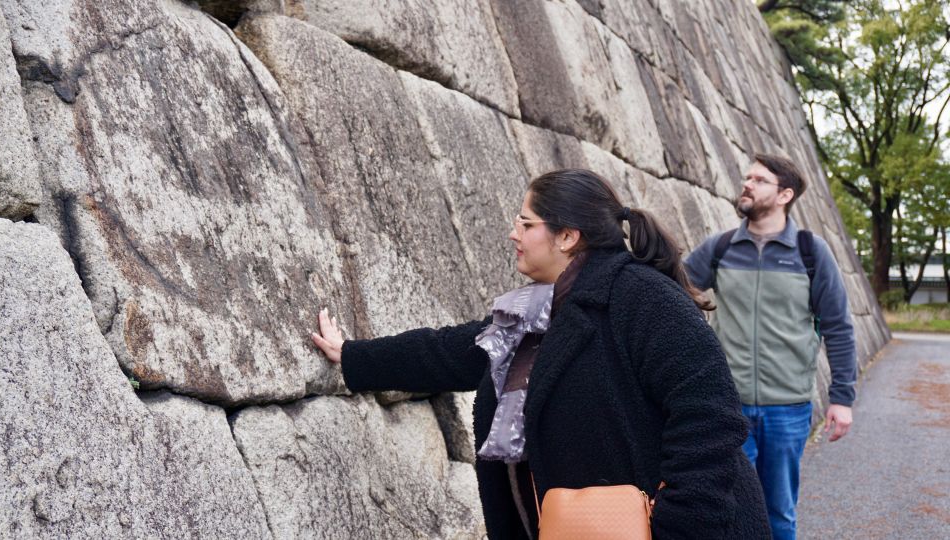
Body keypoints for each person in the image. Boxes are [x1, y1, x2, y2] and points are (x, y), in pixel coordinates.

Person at [312, 169, 771, 539]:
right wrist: (354, 357)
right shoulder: (535, 313)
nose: (513, 233)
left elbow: (710, 419)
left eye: (526, 223)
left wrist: (677, 527)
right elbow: (450, 352)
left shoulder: (643, 299)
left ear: (567, 236)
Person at [684, 154, 856, 540]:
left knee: (779, 513)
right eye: (747, 177)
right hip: (728, 406)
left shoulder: (811, 253)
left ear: (785, 195)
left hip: (788, 409)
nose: (747, 184)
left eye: (760, 180)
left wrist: (841, 398)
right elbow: (673, 293)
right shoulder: (722, 248)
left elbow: (839, 327)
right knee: (729, 509)